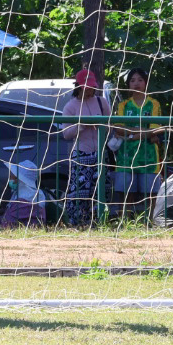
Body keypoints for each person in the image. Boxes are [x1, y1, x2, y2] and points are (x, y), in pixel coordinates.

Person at [56, 68, 111, 227]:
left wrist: (101, 125)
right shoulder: (70, 106)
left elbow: (110, 125)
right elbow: (66, 133)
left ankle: (99, 222)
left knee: (101, 189)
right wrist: (82, 124)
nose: (90, 90)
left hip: (100, 152)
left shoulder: (102, 102)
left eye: (92, 87)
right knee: (79, 192)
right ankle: (77, 223)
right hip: (81, 154)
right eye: (87, 87)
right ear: (79, 86)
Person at [109, 67, 165, 207]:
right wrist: (142, 132)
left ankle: (151, 220)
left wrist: (132, 134)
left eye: (140, 80)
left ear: (146, 83)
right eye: (133, 80)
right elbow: (119, 128)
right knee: (125, 195)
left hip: (149, 156)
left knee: (151, 196)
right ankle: (125, 219)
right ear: (128, 84)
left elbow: (155, 129)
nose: (136, 83)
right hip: (126, 157)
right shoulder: (123, 105)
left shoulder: (154, 104)